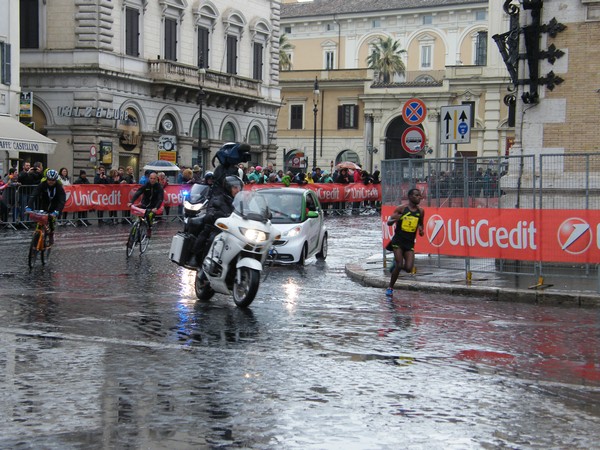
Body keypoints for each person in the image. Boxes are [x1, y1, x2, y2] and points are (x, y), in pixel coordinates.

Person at [188, 175, 243, 267]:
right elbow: (210, 212)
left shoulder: (241, 201)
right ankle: (198, 258)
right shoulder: (217, 199)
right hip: (219, 228)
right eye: (235, 188)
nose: (238, 190)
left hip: (235, 230)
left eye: (239, 188)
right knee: (211, 238)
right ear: (228, 188)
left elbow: (249, 210)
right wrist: (214, 215)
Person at [386, 188, 425, 296]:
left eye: (420, 195)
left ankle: (394, 265)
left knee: (408, 268)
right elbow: (389, 222)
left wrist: (421, 230)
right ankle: (390, 287)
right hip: (398, 241)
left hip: (409, 242)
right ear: (410, 197)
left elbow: (421, 224)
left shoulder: (420, 211)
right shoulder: (401, 209)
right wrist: (395, 220)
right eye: (417, 195)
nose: (419, 197)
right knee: (400, 264)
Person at [25, 169, 66, 245]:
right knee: (40, 221)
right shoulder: (42, 185)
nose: (51, 181)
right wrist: (28, 206)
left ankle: (51, 234)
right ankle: (37, 234)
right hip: (43, 206)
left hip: (54, 207)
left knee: (51, 222)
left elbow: (62, 200)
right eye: (49, 179)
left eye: (53, 180)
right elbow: (34, 195)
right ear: (47, 178)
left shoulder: (59, 187)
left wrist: (57, 211)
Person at [127, 171, 164, 237]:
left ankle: (149, 228)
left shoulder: (159, 187)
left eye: (154, 178)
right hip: (144, 204)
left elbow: (160, 199)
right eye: (151, 178)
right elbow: (138, 192)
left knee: (149, 216)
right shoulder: (146, 185)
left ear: (156, 179)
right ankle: (136, 230)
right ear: (149, 178)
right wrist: (131, 202)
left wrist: (156, 207)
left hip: (153, 207)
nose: (152, 180)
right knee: (138, 218)